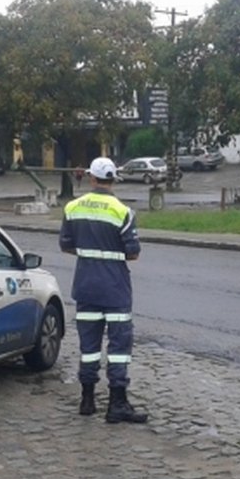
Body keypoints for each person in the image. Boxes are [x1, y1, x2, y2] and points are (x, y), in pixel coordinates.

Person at [59, 156, 147, 424]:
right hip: (115, 289)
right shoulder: (123, 212)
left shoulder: (73, 208)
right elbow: (133, 254)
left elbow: (66, 245)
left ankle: (87, 400)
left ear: (91, 178)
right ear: (113, 179)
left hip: (85, 287)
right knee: (119, 347)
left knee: (89, 348)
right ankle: (117, 404)